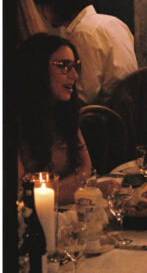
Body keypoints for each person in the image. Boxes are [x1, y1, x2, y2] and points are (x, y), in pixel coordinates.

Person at [31, 0, 138, 105]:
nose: (42, 14)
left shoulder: (83, 33)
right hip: (130, 109)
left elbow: (84, 95)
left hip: (107, 113)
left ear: (55, 3)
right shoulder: (114, 22)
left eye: (43, 7)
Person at [17, 33, 92, 205]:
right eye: (63, 66)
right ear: (37, 69)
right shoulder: (12, 121)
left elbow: (85, 168)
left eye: (75, 66)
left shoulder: (63, 111)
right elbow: (23, 194)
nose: (74, 75)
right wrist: (81, 189)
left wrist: (66, 189)